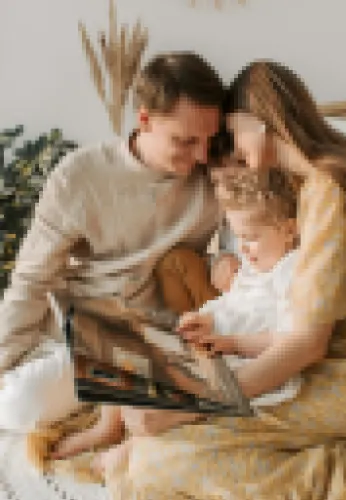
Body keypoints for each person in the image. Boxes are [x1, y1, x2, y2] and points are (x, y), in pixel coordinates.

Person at [40, 60, 346, 499]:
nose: (228, 150)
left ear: (260, 124)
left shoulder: (331, 190)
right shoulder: (312, 184)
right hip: (311, 363)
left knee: (157, 463)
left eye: (233, 133)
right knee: (144, 415)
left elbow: (307, 343)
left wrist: (191, 404)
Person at [0, 52, 226, 434]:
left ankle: (113, 405)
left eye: (210, 139)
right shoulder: (79, 176)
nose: (202, 155)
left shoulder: (216, 174)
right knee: (17, 406)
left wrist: (223, 262)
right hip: (86, 332)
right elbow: (32, 278)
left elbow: (242, 250)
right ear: (144, 119)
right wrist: (4, 362)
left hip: (163, 339)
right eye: (185, 141)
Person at [46, 167, 307, 463]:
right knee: (119, 336)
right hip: (215, 342)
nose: (244, 248)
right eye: (239, 237)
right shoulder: (255, 262)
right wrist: (205, 317)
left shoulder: (294, 271)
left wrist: (233, 342)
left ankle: (135, 442)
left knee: (156, 380)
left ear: (288, 230)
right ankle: (106, 427)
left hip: (247, 364)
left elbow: (287, 340)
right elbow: (233, 302)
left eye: (251, 237)